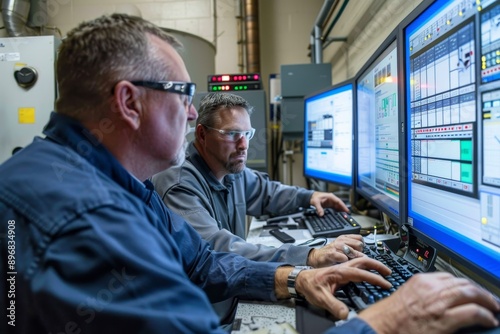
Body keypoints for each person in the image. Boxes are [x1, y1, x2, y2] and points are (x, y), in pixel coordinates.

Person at [0, 13, 498, 334]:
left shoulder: (113, 184)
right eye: (184, 97)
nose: (193, 115)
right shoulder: (90, 221)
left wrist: (295, 277)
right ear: (129, 101)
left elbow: (202, 263)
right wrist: (386, 321)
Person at [152, 92, 366, 322]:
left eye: (247, 134)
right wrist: (309, 256)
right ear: (202, 134)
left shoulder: (230, 169)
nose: (243, 145)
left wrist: (310, 196)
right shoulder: (179, 184)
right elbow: (217, 250)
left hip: (231, 299)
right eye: (232, 134)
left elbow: (268, 193)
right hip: (204, 317)